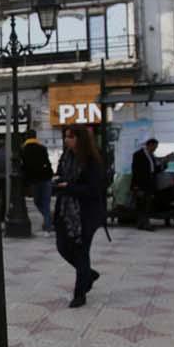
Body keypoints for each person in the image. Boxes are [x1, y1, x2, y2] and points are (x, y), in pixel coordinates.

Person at [53, 125, 106, 308]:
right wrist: (59, 183)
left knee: (81, 252)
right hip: (65, 212)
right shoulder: (66, 157)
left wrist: (68, 187)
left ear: (80, 139)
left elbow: (93, 189)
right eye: (66, 137)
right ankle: (88, 274)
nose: (67, 140)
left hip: (85, 214)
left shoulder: (92, 161)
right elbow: (60, 175)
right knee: (62, 247)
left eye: (71, 137)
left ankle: (80, 293)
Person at [20, 129, 54, 233]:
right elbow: (47, 163)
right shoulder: (42, 148)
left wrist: (25, 181)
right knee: (46, 202)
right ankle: (48, 220)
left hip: (34, 180)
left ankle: (48, 222)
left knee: (37, 201)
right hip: (46, 178)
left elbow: (24, 167)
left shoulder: (23, 149)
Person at [130, 138, 159, 230]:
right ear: (149, 145)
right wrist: (136, 185)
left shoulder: (151, 156)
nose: (155, 149)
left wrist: (163, 164)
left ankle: (143, 223)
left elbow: (153, 170)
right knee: (142, 204)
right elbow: (136, 171)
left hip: (149, 183)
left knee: (147, 204)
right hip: (141, 183)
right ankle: (144, 223)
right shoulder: (138, 155)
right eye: (154, 147)